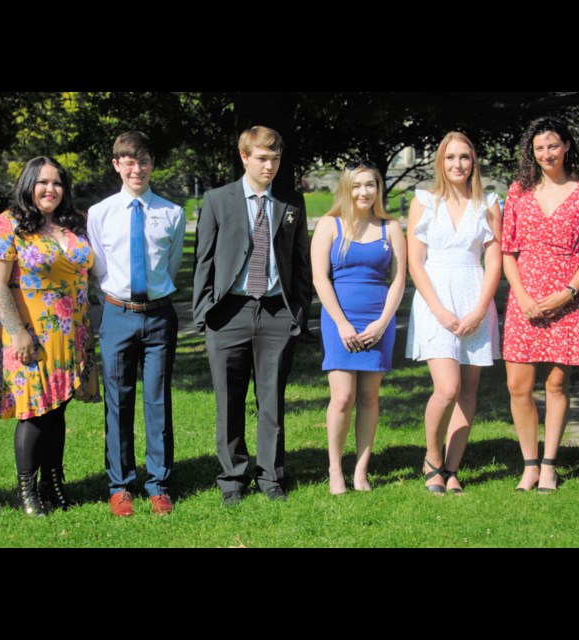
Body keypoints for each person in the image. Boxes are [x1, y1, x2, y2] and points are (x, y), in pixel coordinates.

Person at [193, 126, 312, 505]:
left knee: (272, 399)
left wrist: (299, 313)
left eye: (275, 159)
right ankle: (232, 478)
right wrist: (203, 315)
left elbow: (300, 261)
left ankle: (271, 476)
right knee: (229, 400)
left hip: (277, 311)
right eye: (262, 158)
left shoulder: (291, 202)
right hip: (229, 312)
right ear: (244, 157)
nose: (270, 166)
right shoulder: (217, 200)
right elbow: (204, 261)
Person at [0, 156, 96, 516]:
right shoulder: (7, 225)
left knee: (57, 410)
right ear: (28, 184)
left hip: (70, 335)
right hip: (30, 336)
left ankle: (54, 483)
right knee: (33, 411)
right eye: (43, 182)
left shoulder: (71, 224)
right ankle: (27, 490)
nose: (51, 189)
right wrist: (17, 332)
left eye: (57, 183)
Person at [502, 117, 579, 492]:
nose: (546, 154)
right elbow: (507, 251)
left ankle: (549, 465)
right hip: (526, 299)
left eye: (553, 146)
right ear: (531, 153)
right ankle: (529, 465)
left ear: (566, 146)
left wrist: (568, 292)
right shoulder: (518, 191)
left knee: (557, 384)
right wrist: (523, 296)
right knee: (518, 385)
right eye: (539, 148)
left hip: (568, 298)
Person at [86, 132, 185, 516]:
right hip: (116, 314)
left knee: (158, 399)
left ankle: (158, 482)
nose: (136, 168)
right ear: (116, 165)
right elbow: (99, 269)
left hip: (160, 314)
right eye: (128, 161)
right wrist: (118, 302)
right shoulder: (99, 214)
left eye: (143, 160)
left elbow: (172, 267)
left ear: (152, 164)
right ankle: (120, 484)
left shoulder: (171, 213)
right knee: (118, 399)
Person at [406, 132, 502, 494]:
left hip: (474, 297)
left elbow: (493, 262)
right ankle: (432, 459)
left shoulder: (488, 204)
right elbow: (416, 262)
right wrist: (438, 310)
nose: (457, 165)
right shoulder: (424, 202)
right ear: (440, 162)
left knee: (468, 389)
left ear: (473, 161)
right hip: (436, 300)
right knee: (447, 388)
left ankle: (453, 466)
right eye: (450, 158)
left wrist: (479, 310)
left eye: (464, 157)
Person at [311, 162, 405, 494]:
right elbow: (319, 278)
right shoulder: (329, 225)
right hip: (339, 320)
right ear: (346, 189)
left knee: (368, 397)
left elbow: (398, 280)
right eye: (357, 186)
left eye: (371, 185)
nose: (364, 192)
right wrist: (341, 323)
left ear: (379, 189)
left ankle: (361, 471)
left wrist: (382, 323)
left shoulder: (390, 227)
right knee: (342, 397)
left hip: (378, 320)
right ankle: (335, 469)